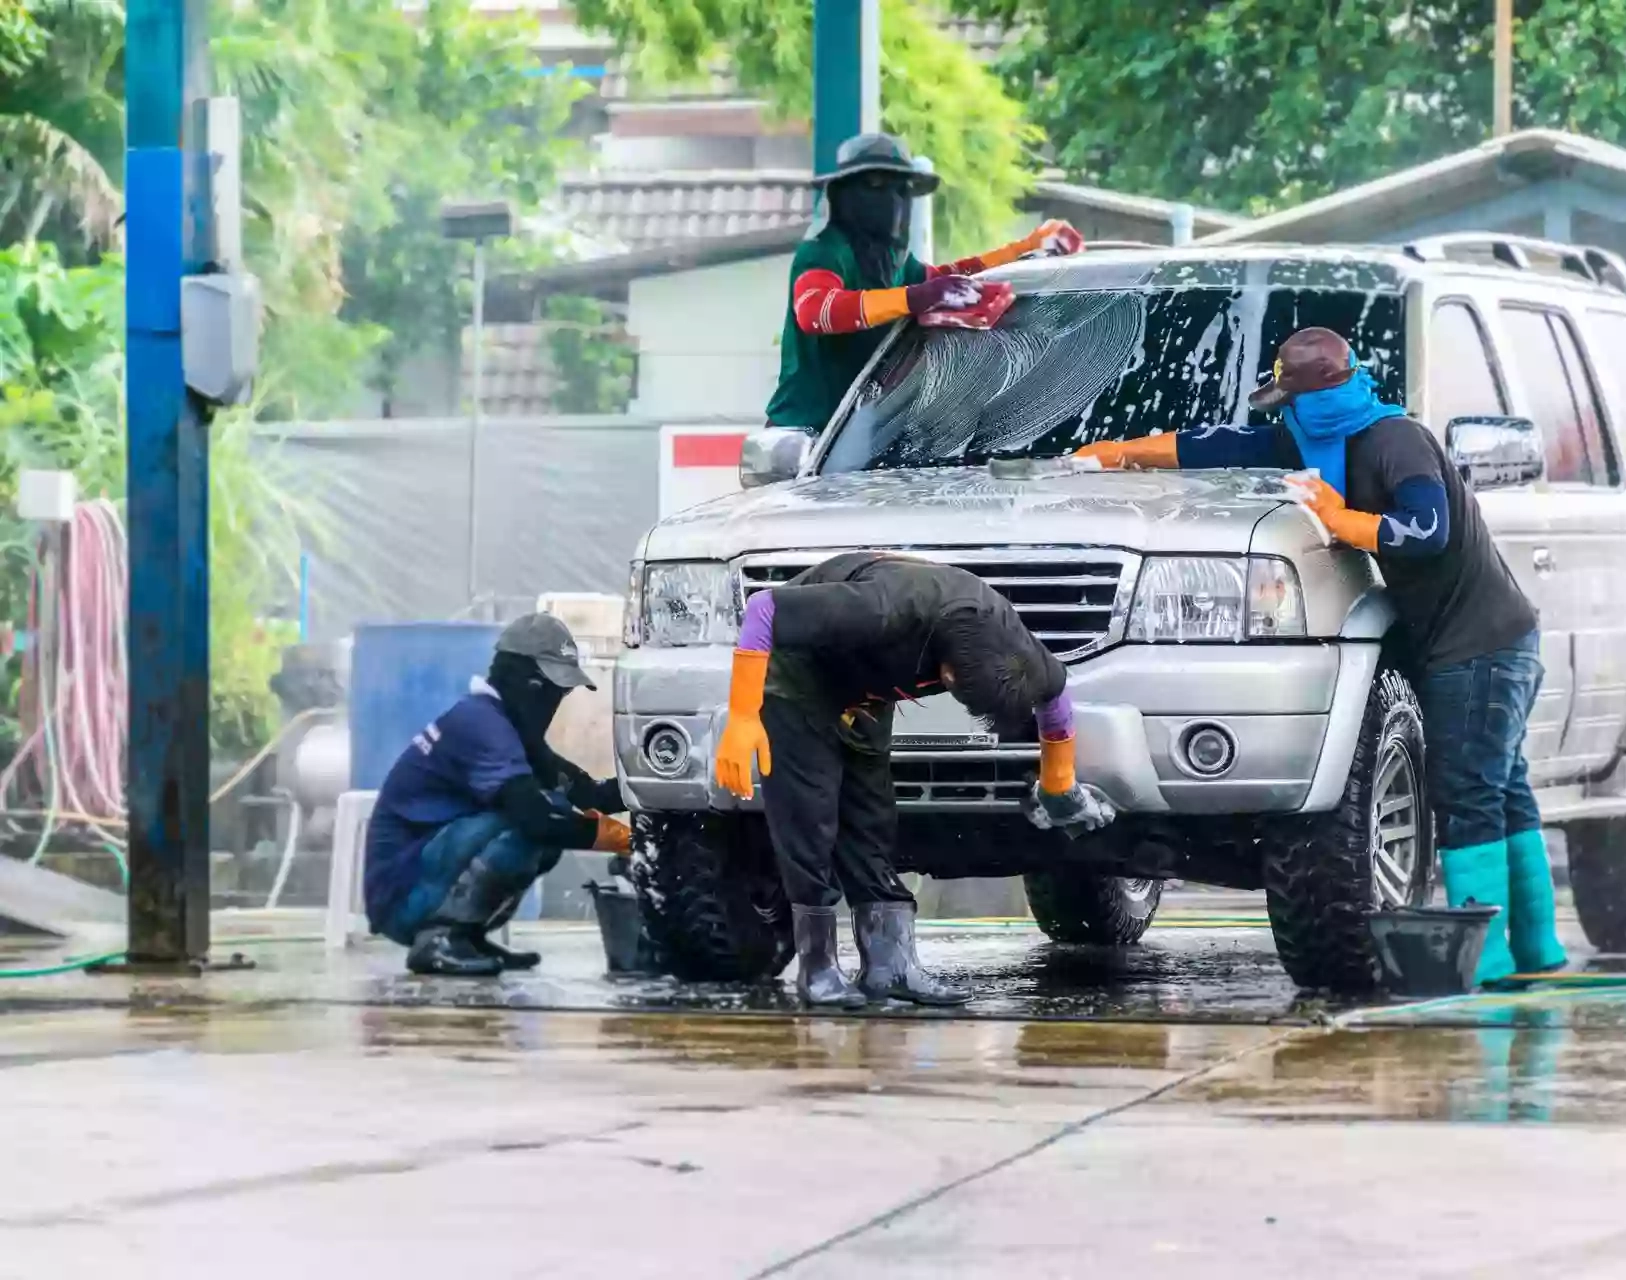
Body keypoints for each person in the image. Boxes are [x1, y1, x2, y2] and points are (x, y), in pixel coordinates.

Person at [1075, 327, 1565, 986]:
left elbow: (1428, 529)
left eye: (1288, 399)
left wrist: (1340, 522)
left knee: (1468, 794)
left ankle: (1492, 966)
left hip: (1482, 647)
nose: (1282, 415)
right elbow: (1221, 445)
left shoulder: (1397, 441)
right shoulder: (1318, 437)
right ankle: (1537, 952)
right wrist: (1120, 456)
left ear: (1312, 396)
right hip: (1493, 641)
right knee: (1502, 792)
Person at [713, 553, 1115, 1008]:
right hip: (795, 667)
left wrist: (1059, 786)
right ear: (946, 669)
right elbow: (764, 609)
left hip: (863, 685)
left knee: (872, 815)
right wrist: (744, 716)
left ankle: (890, 965)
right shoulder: (887, 607)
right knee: (811, 814)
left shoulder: (1013, 648)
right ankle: (818, 968)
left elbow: (1055, 697)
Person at [363, 614, 635, 977]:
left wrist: (652, 787)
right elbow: (535, 818)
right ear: (527, 682)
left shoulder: (508, 726)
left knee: (551, 822)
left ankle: (468, 934)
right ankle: (441, 937)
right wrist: (617, 838)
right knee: (533, 826)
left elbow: (590, 794)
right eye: (553, 690)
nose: (555, 701)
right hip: (402, 894)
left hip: (422, 875)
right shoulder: (481, 724)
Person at [764, 131, 1086, 432]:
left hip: (868, 435)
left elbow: (952, 278)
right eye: (875, 185)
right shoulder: (823, 252)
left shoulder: (895, 262)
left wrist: (1027, 247)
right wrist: (914, 297)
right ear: (845, 194)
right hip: (806, 435)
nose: (892, 201)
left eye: (901, 189)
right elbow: (816, 311)